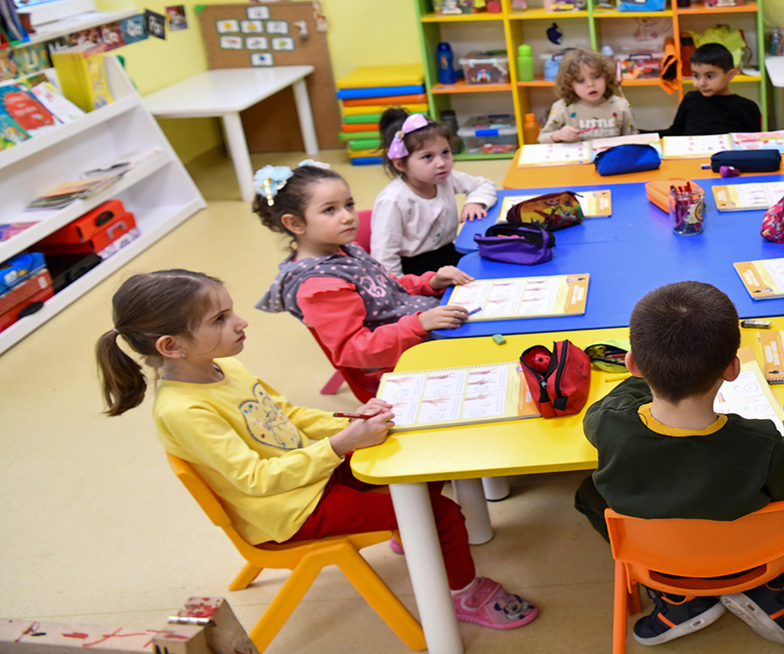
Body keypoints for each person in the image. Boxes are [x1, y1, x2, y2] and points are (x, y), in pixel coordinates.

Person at [95, 270, 536, 629]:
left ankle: (410, 533)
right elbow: (256, 480)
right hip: (290, 511)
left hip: (309, 475)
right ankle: (464, 594)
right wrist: (340, 445)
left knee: (415, 456)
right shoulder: (182, 411)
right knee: (439, 513)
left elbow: (287, 415)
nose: (241, 322)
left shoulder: (224, 366)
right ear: (171, 346)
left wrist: (351, 422)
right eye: (220, 319)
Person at [573, 281, 784, 648]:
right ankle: (766, 589)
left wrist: (656, 372)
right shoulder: (763, 445)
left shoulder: (610, 423)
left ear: (632, 365)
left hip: (659, 556)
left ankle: (677, 598)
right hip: (753, 555)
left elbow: (605, 409)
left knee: (588, 494)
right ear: (732, 369)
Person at [252, 162, 472, 401]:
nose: (348, 217)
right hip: (402, 360)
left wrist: (430, 283)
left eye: (349, 205)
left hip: (424, 329)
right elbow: (354, 350)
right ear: (295, 224)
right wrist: (419, 324)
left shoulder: (345, 250)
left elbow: (387, 288)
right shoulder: (320, 286)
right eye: (329, 210)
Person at [370, 109, 499, 275]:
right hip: (414, 270)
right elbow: (384, 257)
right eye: (428, 157)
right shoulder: (393, 200)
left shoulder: (447, 178)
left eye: (445, 153)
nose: (441, 163)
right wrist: (403, 287)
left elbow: (484, 184)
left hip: (448, 253)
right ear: (401, 164)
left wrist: (475, 202)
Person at [537, 47, 636, 143]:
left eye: (596, 77)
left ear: (606, 76)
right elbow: (542, 138)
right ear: (569, 84)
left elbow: (633, 140)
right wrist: (558, 135)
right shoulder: (562, 107)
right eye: (580, 80)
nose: (590, 84)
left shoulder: (621, 106)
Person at [662, 43, 762, 135]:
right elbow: (675, 132)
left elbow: (754, 142)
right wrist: (652, 136)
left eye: (710, 76)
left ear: (730, 75)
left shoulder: (747, 107)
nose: (702, 83)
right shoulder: (690, 99)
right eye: (696, 76)